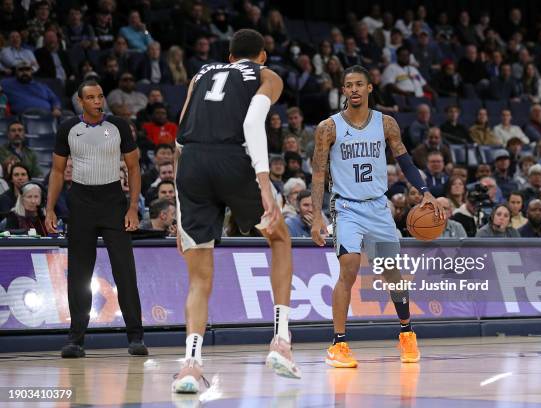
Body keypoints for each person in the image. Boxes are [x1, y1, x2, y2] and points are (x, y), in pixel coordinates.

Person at [172, 29, 301, 392]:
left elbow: (179, 137)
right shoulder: (266, 75)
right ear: (261, 56)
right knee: (280, 238)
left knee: (199, 276)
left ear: (229, 57)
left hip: (192, 165)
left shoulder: (200, 75)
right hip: (234, 160)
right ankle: (280, 340)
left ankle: (191, 366)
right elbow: (250, 123)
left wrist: (180, 209)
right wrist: (263, 183)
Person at [310, 65, 445, 368]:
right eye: (348, 85)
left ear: (370, 88)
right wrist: (318, 215)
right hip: (346, 208)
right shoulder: (328, 128)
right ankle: (339, 343)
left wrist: (424, 190)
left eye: (360, 84)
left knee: (391, 273)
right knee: (349, 268)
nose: (354, 90)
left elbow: (405, 160)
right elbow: (319, 173)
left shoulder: (386, 124)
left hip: (378, 208)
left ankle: (407, 332)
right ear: (343, 90)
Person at [45, 80, 147, 359]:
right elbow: (56, 171)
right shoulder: (68, 127)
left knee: (125, 271)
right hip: (80, 203)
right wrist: (50, 208)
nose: (97, 101)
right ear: (80, 101)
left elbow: (134, 167)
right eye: (90, 97)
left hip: (113, 202)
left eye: (100, 96)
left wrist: (132, 208)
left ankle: (135, 337)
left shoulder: (118, 126)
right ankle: (75, 340)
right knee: (79, 274)